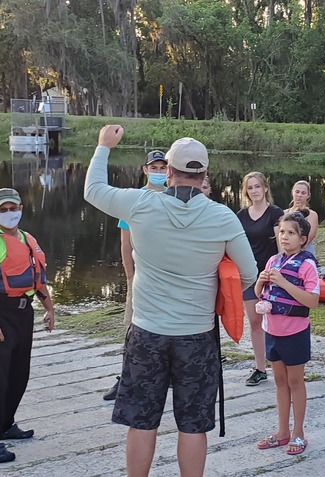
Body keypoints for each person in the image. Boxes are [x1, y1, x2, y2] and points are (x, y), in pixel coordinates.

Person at [84, 126, 258, 477]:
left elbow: (93, 190)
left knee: (142, 421)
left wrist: (104, 146)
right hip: (196, 337)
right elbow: (250, 273)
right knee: (193, 425)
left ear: (169, 171)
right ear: (205, 174)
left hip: (147, 332)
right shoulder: (222, 217)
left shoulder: (140, 204)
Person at [0, 187, 56, 463]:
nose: (10, 214)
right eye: (3, 209)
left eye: (13, 208)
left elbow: (37, 279)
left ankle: (7, 424)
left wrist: (48, 308)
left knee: (19, 375)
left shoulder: (27, 239)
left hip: (23, 313)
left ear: (21, 207)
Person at [253, 210, 320, 457]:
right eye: (282, 232)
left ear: (303, 239)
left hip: (295, 332)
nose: (285, 237)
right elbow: (262, 294)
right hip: (272, 330)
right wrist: (261, 282)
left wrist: (283, 282)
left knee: (295, 382)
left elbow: (312, 301)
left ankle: (298, 433)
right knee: (280, 382)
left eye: (291, 233)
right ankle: (282, 431)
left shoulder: (307, 264)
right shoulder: (273, 261)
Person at [103, 150, 168, 401]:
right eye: (155, 168)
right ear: (145, 170)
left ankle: (161, 376)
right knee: (133, 328)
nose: (159, 172)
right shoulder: (133, 199)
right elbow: (125, 243)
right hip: (141, 276)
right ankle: (125, 378)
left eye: (163, 168)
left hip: (167, 276)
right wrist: (130, 276)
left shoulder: (174, 199)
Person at [237, 172, 286, 386]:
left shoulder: (275, 213)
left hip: (271, 274)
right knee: (255, 321)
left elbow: (282, 246)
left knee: (276, 320)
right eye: (250, 188)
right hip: (249, 275)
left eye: (257, 186)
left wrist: (278, 274)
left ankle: (282, 363)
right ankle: (259, 368)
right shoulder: (240, 216)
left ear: (265, 188)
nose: (254, 191)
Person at [286, 180, 319, 257]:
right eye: (297, 192)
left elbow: (309, 238)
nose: (299, 195)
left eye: (303, 193)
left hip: (305, 254)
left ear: (308, 195)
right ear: (292, 192)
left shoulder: (312, 215)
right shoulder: (284, 213)